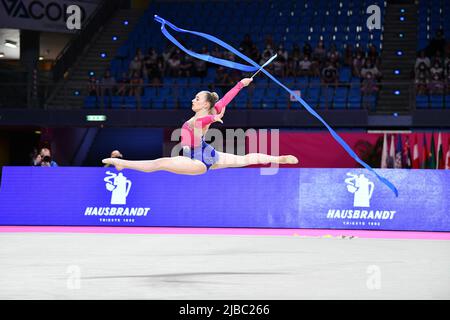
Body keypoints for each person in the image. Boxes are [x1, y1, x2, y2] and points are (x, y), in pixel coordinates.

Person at [102, 78, 298, 174]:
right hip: (207, 153)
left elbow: (205, 118)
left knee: (159, 163)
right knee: (246, 159)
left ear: (205, 104)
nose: (192, 100)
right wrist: (240, 85)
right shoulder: (210, 114)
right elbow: (222, 103)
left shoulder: (201, 118)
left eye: (197, 98)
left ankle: (121, 163)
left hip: (197, 159)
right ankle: (279, 158)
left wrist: (215, 117)